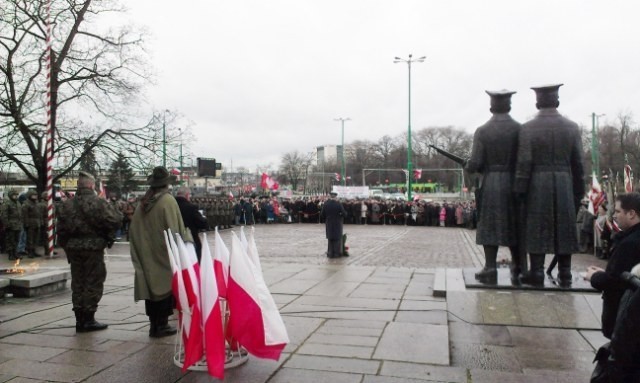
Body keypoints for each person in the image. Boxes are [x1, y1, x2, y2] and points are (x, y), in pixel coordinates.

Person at [514, 84, 585, 287]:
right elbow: (579, 164)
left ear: (537, 102)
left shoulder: (527, 128)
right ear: (557, 101)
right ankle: (565, 273)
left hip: (537, 183)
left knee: (536, 226)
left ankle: (536, 271)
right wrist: (579, 191)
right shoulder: (572, 127)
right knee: (564, 227)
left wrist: (520, 190)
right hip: (564, 182)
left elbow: (524, 162)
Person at [466, 90, 522, 284]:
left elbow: (475, 163)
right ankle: (518, 266)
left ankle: (490, 268)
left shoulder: (483, 131)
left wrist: (469, 165)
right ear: (509, 105)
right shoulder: (520, 129)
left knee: (489, 225)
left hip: (491, 183)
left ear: (491, 106)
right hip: (514, 182)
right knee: (515, 224)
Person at [129, 166, 192, 338]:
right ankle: (162, 325)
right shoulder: (167, 201)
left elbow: (133, 229)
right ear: (166, 184)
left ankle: (154, 325)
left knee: (151, 287)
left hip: (146, 251)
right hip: (164, 252)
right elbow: (175, 228)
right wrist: (186, 243)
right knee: (164, 286)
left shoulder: (143, 203)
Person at [56, 171, 123, 333]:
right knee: (93, 281)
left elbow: (61, 229)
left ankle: (79, 318)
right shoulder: (99, 203)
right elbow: (115, 220)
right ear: (92, 185)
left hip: (74, 248)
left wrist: (66, 245)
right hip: (93, 248)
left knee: (78, 282)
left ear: (78, 185)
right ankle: (89, 318)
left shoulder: (67, 204)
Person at [585, 192, 640, 340]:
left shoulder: (630, 243)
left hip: (624, 320)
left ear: (632, 214)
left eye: (617, 211)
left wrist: (594, 276)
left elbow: (616, 282)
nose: (614, 216)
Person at [175, 186, 209, 261]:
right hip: (191, 241)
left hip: (175, 243)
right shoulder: (191, 207)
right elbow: (202, 224)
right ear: (187, 195)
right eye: (190, 195)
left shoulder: (172, 206)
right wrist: (204, 219)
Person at [320, 192, 347, 258]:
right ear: (335, 197)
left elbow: (322, 214)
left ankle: (330, 253)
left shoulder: (326, 204)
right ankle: (336, 253)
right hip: (337, 223)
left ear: (330, 196)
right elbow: (344, 214)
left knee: (330, 238)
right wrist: (340, 215)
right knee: (337, 238)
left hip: (329, 222)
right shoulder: (338, 204)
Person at [1, 189, 23, 260]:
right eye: (14, 195)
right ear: (11, 196)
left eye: (17, 195)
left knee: (16, 240)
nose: (16, 196)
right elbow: (4, 215)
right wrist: (7, 224)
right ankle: (10, 254)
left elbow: (20, 214)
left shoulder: (18, 203)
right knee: (10, 240)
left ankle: (15, 253)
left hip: (18, 225)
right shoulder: (7, 204)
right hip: (10, 225)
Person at [22, 190, 42, 258]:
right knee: (30, 239)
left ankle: (34, 251)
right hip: (30, 223)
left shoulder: (36, 203)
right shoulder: (26, 204)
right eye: (33, 195)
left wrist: (40, 222)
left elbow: (39, 214)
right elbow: (25, 215)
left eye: (36, 195)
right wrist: (26, 224)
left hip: (37, 223)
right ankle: (30, 252)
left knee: (36, 238)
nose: (35, 196)